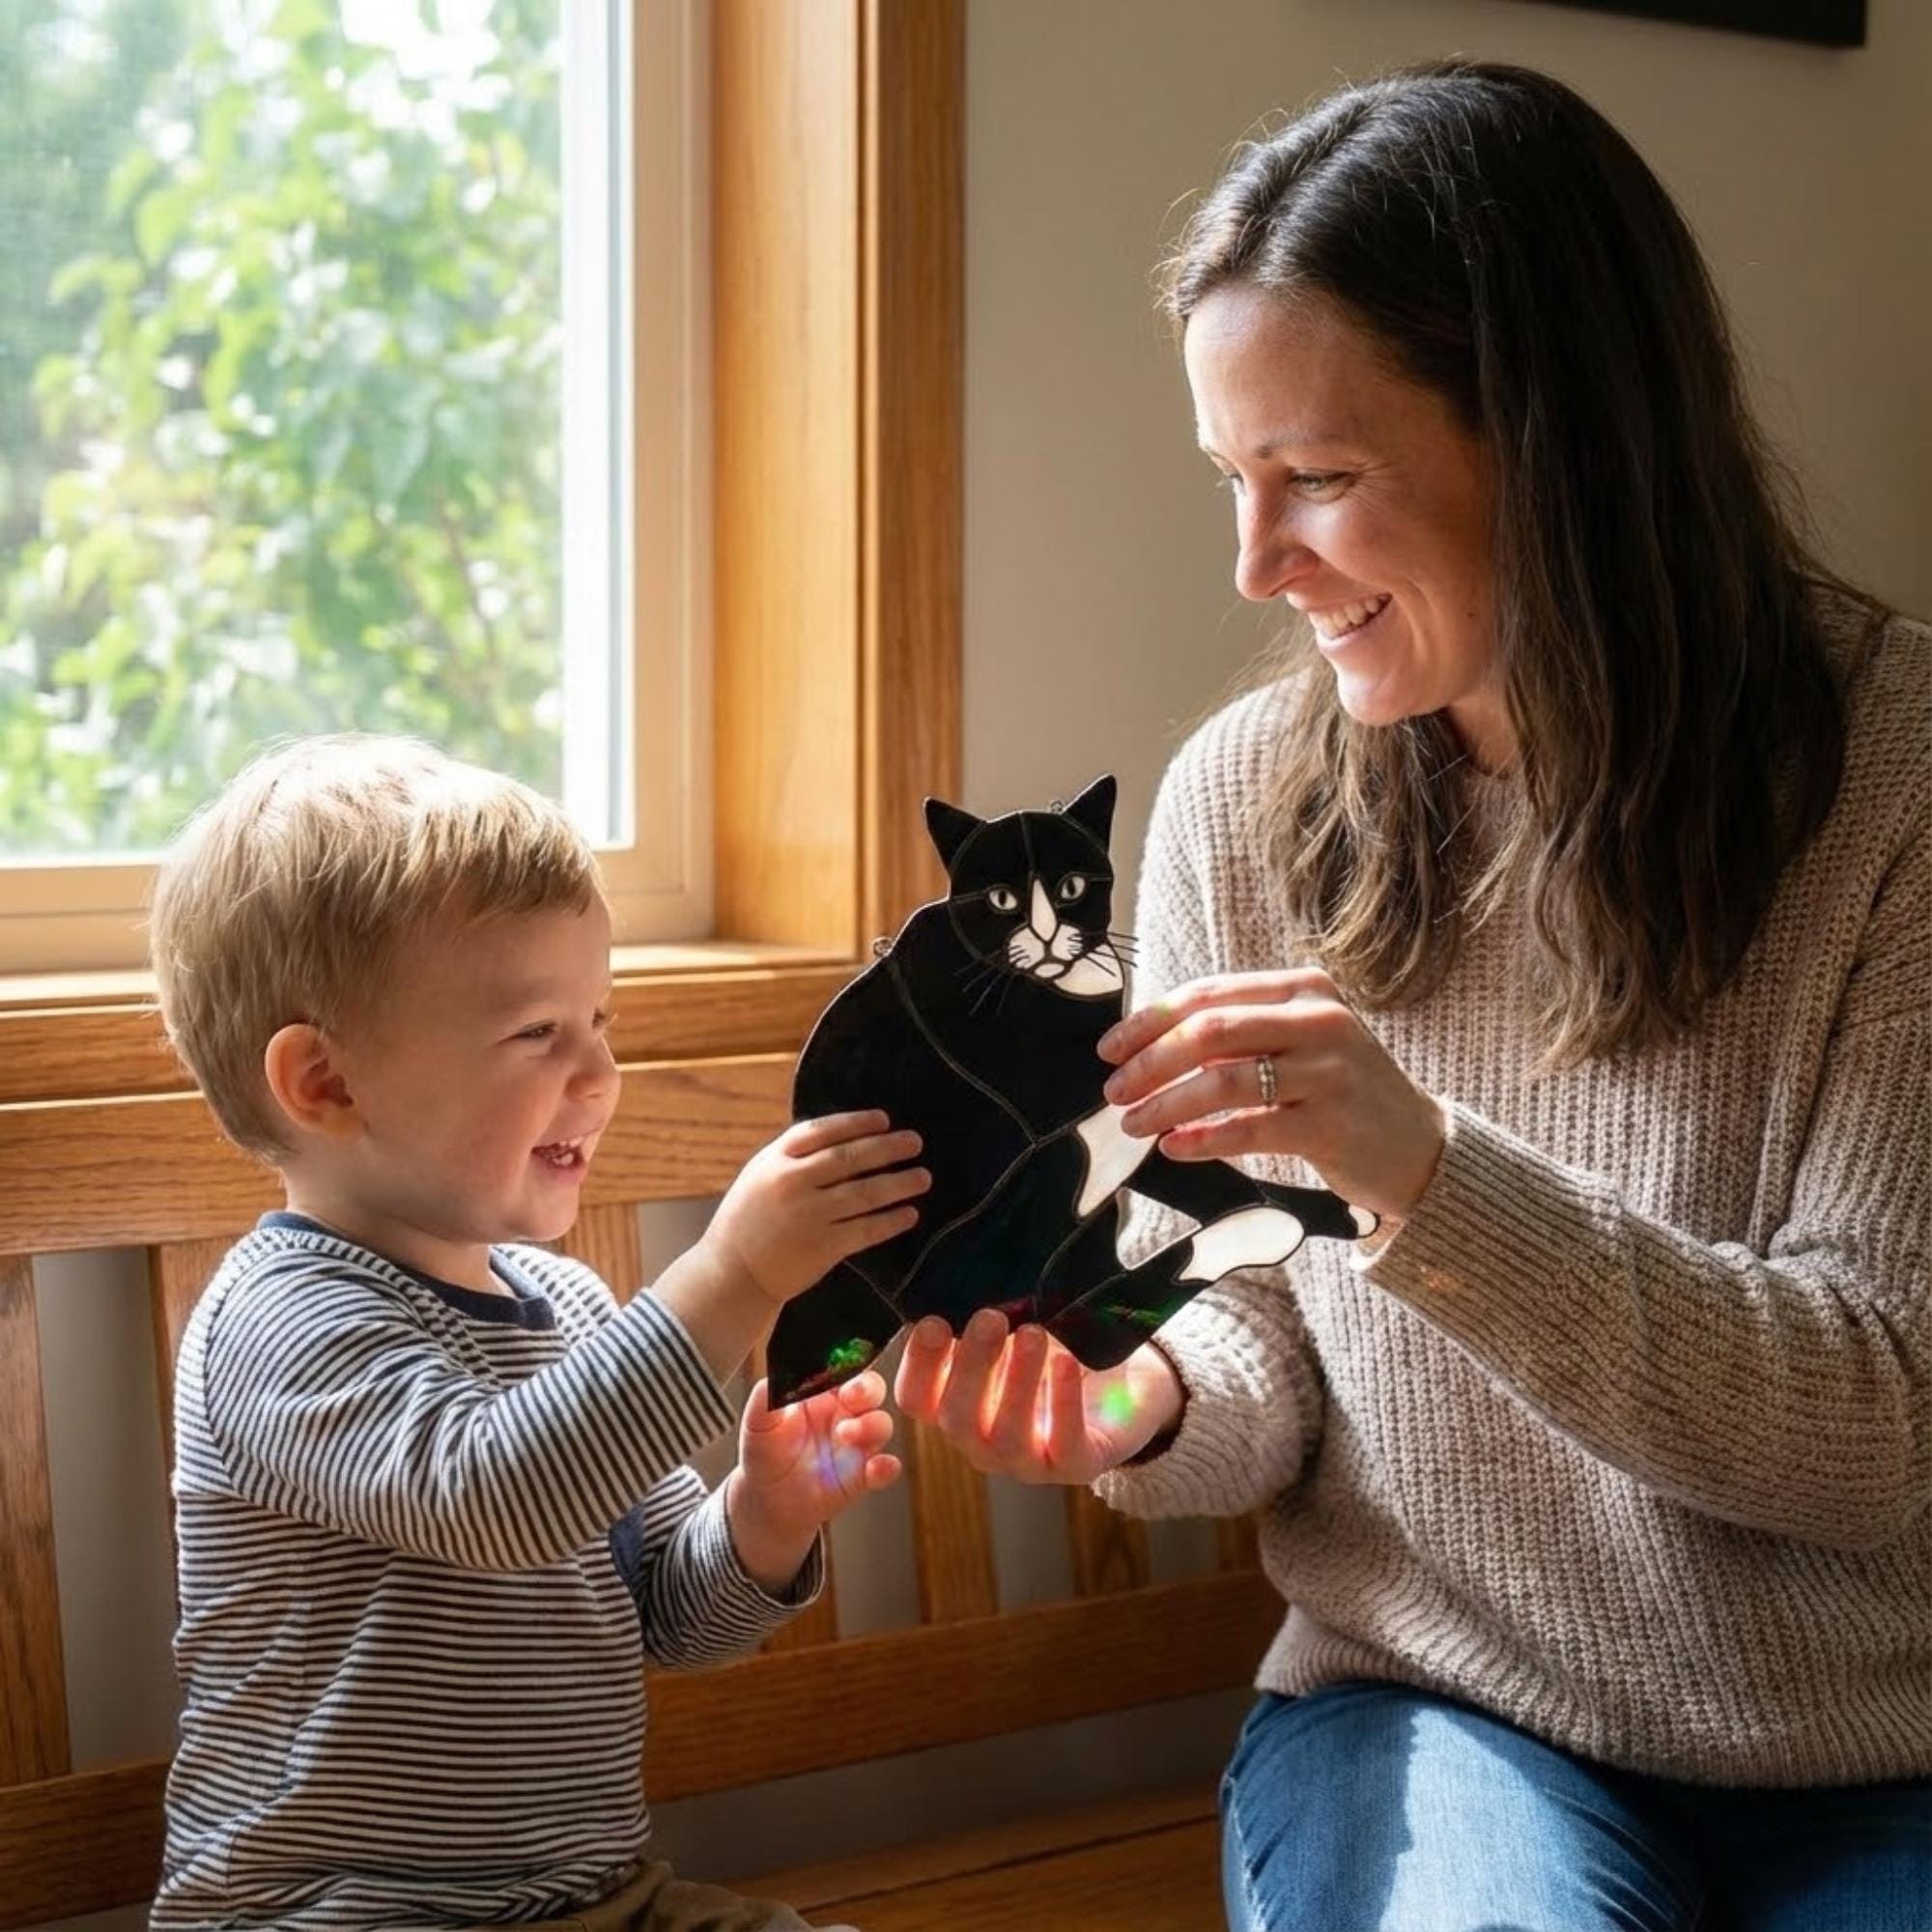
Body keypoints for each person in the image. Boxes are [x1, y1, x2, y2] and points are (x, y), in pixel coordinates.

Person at [895, 59, 1930, 1932]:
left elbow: (1872, 1432)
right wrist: (1133, 1399)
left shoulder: (1901, 785)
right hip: (1441, 1715)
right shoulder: (1246, 806)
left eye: (1317, 479)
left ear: (1558, 441)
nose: (1254, 563)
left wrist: (1424, 1172)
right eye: (1231, 480)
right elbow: (1253, 1336)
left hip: (1877, 1755)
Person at [146, 735, 930, 1931]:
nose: (601, 1071)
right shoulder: (277, 1316)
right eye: (536, 1032)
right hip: (335, 1909)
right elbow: (496, 1497)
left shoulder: (565, 1310)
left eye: (599, 1018)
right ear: (326, 1083)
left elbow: (675, 1616)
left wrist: (761, 1520)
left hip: (596, 1897)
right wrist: (732, 1273)